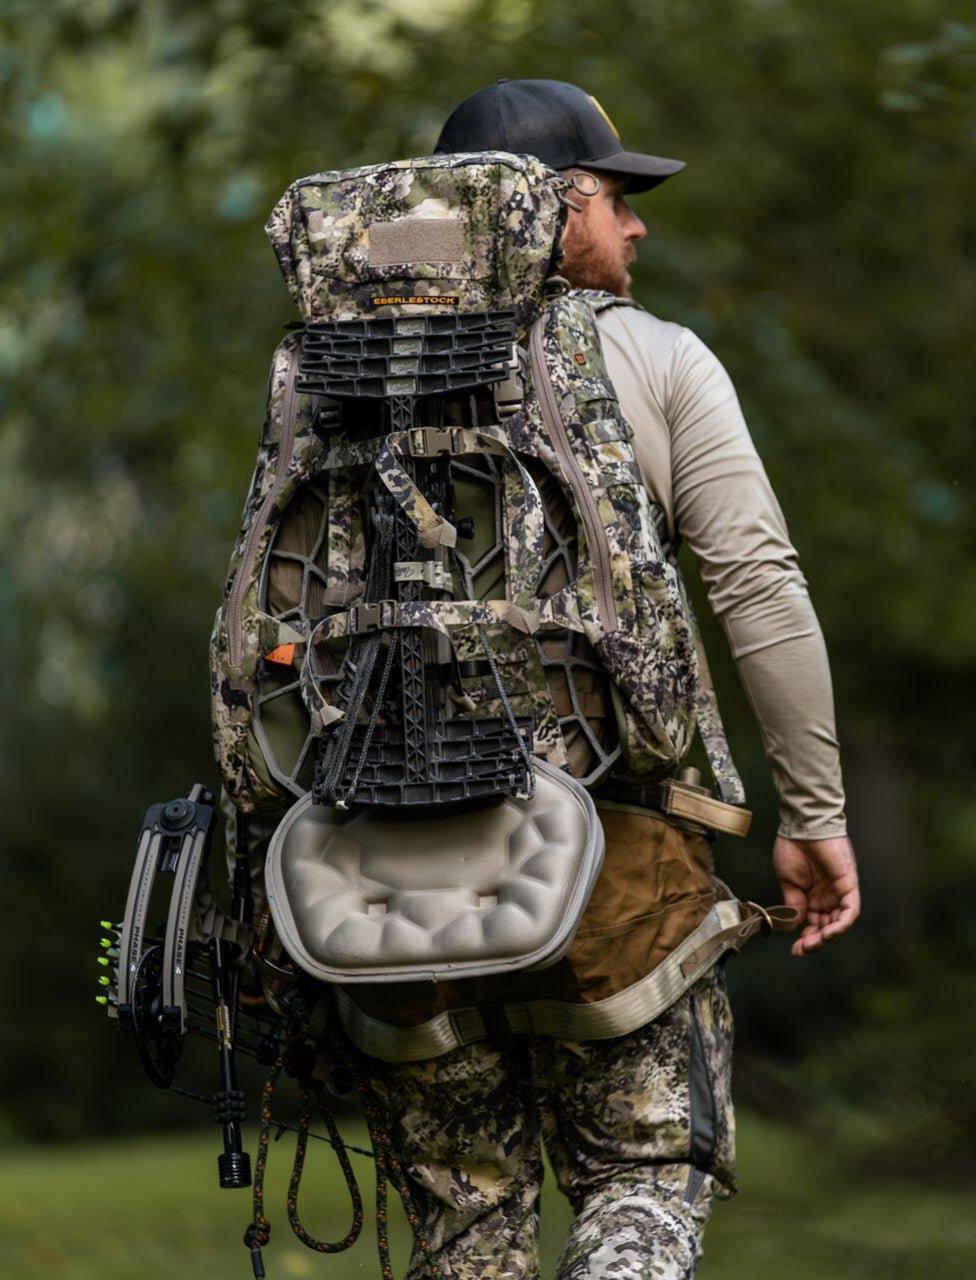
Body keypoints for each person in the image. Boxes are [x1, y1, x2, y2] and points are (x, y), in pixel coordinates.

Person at [346, 79, 861, 1280]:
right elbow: (759, 587)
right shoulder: (657, 357)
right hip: (617, 870)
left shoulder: (339, 371)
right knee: (642, 1186)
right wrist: (814, 814)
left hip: (383, 886)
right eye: (617, 197)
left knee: (463, 1234)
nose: (637, 225)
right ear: (557, 205)